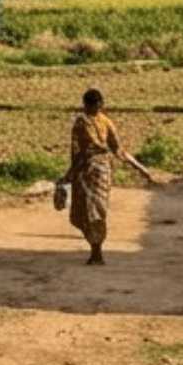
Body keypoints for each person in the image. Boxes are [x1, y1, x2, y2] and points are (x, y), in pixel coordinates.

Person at [64, 87, 154, 266]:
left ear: (84, 104)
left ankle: (96, 251)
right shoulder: (106, 121)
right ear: (100, 104)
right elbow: (118, 150)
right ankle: (96, 250)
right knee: (98, 210)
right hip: (103, 171)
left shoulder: (81, 122)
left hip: (87, 171)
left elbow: (77, 153)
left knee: (90, 212)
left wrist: (69, 175)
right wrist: (140, 167)